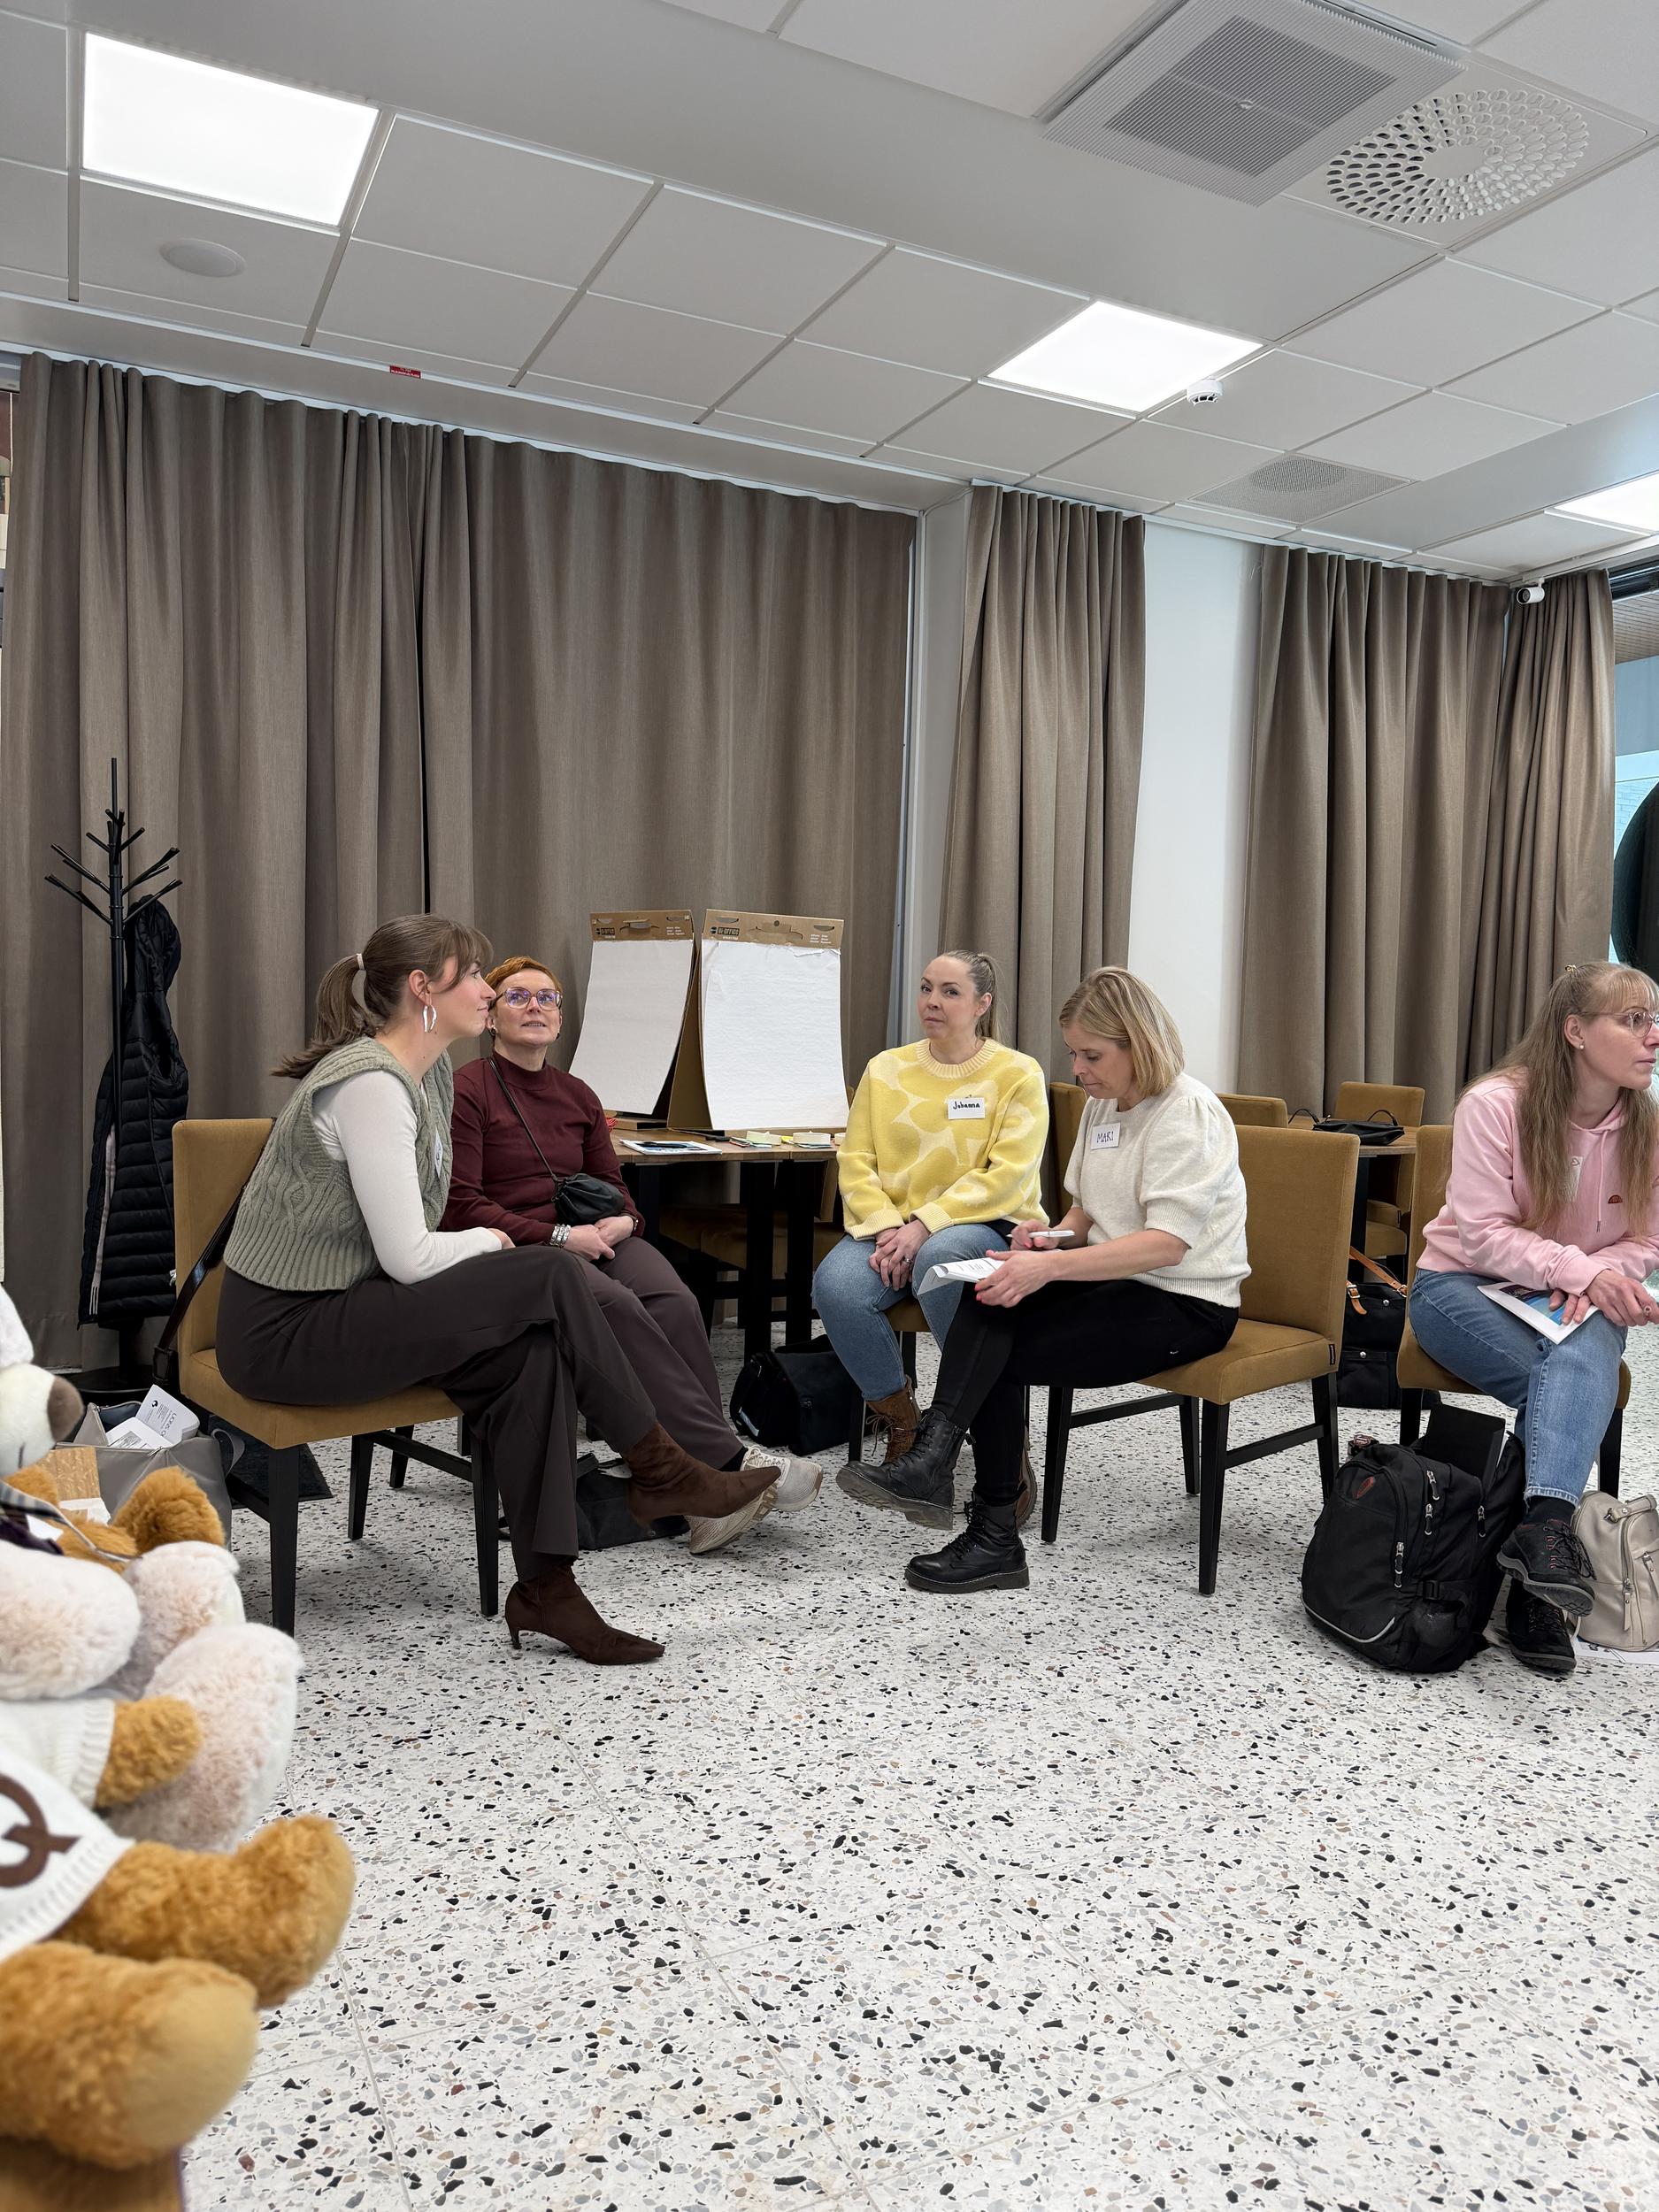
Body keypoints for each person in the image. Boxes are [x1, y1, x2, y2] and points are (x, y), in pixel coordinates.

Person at [213, 915, 779, 1666]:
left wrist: (495, 1248)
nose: (488, 990)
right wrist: (495, 1241)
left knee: (532, 1354)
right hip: (285, 1333)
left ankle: (548, 1588)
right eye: (475, 974)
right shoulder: (369, 1086)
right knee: (550, 1271)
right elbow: (411, 1256)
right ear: (424, 988)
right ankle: (661, 1469)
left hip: (354, 1303)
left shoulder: (427, 1074)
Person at [858, 967, 1247, 1594]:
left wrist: (1052, 1266)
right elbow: (1086, 1212)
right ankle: (937, 1458)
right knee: (991, 1291)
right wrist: (1049, 1238)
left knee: (1000, 1351)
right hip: (1114, 1279)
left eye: (1091, 1055)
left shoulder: (1187, 1112)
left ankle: (988, 1530)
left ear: (1138, 1044)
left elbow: (1166, 1244)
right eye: (1073, 1053)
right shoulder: (1102, 1105)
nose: (1077, 1069)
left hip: (1185, 1301)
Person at [442, 954, 821, 1553]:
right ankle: (722, 1463)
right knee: (615, 1306)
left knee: (673, 1299)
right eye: (517, 997)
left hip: (596, 1236)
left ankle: (692, 1483)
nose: (535, 1006)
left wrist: (624, 1222)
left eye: (546, 998)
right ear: (490, 1017)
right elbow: (461, 1206)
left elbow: (615, 1190)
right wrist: (561, 1238)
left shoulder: (578, 1095)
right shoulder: (468, 1090)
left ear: (560, 1018)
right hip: (517, 1247)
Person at [1410, 960, 1659, 1678]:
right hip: (1458, 1287)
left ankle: (1539, 1546)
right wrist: (1584, 1273)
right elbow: (1483, 1235)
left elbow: (1646, 1239)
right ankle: (1537, 1580)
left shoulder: (1645, 1126)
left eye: (1653, 1021)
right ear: (1574, 1031)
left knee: (1584, 1345)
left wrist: (1600, 1276)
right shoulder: (1495, 1104)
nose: (1652, 1037)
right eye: (1632, 1020)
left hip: (1561, 1305)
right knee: (1573, 1381)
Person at [818, 951, 1048, 1487]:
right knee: (836, 1286)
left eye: (950, 992)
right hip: (890, 1228)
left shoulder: (1018, 1073)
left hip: (985, 1222)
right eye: (926, 989)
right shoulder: (885, 1068)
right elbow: (856, 1160)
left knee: (941, 1259)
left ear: (982, 1004)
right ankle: (906, 1424)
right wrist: (886, 1228)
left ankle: (997, 1436)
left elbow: (1007, 1176)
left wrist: (923, 1226)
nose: (932, 1002)